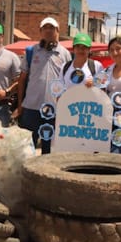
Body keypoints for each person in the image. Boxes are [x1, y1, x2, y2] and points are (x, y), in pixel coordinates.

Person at [13, 16, 72, 154]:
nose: (48, 31)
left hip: (53, 111)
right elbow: (22, 80)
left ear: (58, 30)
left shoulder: (65, 55)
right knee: (27, 148)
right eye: (45, 28)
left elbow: (69, 83)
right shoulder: (31, 51)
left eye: (52, 28)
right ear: (40, 31)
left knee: (48, 149)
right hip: (31, 108)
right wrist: (20, 104)